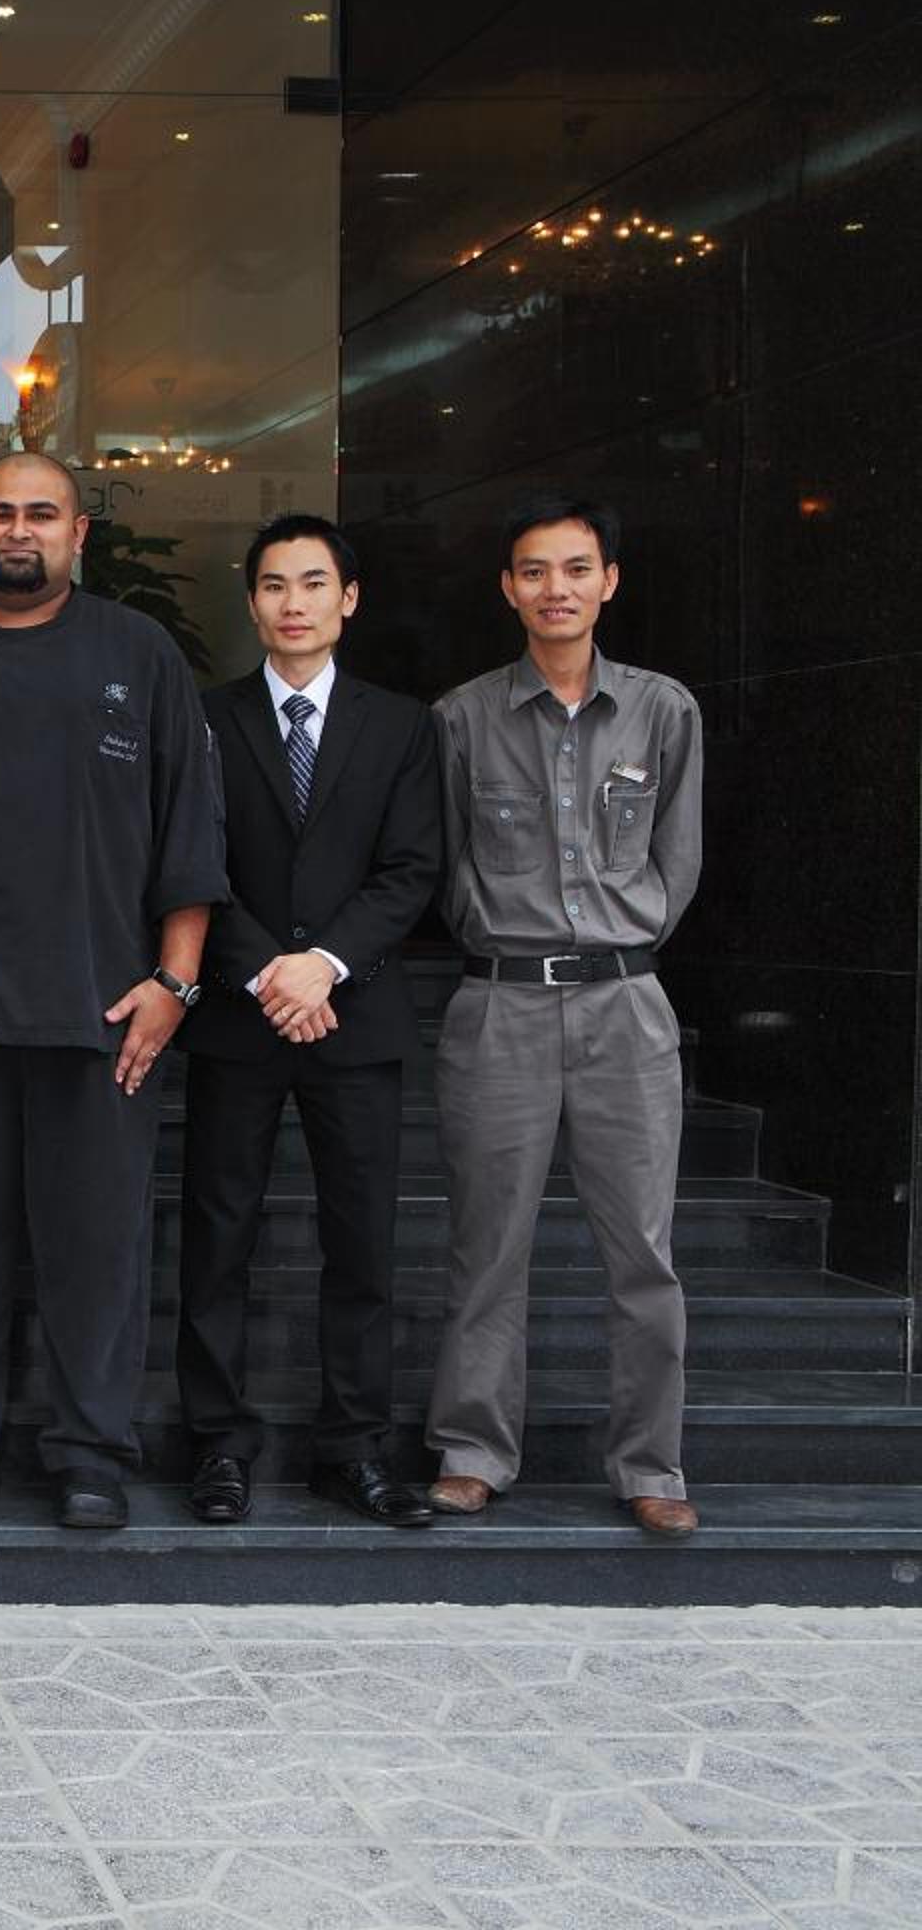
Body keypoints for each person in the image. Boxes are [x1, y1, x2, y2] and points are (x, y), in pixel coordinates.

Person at [0, 452, 226, 1530]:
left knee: (97, 1249)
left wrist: (174, 981)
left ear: (78, 534)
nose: (20, 530)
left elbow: (189, 826)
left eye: (42, 513)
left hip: (101, 1009)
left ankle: (92, 1453)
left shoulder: (140, 652)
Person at [425, 492, 703, 1538]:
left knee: (643, 1251)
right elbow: (446, 863)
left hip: (627, 1003)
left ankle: (651, 1463)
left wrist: (631, 937)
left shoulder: (664, 710)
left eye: (577, 568)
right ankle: (473, 1450)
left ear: (609, 581)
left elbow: (679, 855)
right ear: (508, 587)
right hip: (501, 1001)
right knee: (488, 1244)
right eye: (535, 570)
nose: (557, 589)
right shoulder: (461, 717)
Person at [174, 513, 441, 1529]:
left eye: (314, 583)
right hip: (238, 1019)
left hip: (355, 1018)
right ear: (252, 603)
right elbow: (193, 858)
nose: (295, 603)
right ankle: (217, 1445)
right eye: (276, 585)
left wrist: (321, 966)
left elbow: (412, 868)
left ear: (349, 598)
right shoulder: (206, 718)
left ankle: (355, 1448)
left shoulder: (403, 725)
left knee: (362, 1244)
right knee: (218, 1239)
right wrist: (267, 971)